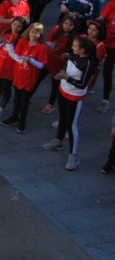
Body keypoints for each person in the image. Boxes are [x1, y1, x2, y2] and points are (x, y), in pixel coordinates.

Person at [44, 36, 99, 171]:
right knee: (62, 117)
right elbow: (66, 67)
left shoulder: (88, 64)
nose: (72, 48)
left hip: (75, 96)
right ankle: (58, 141)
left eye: (75, 46)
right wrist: (62, 73)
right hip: (63, 91)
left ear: (82, 50)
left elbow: (82, 84)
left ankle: (73, 156)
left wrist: (66, 77)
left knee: (71, 124)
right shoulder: (72, 56)